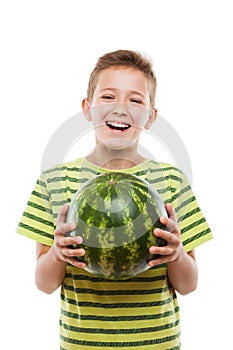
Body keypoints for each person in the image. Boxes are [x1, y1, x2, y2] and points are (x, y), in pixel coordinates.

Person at [17, 49, 212, 349]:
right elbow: (44, 284)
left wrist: (177, 254)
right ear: (87, 108)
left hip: (157, 344)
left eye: (135, 100)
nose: (121, 108)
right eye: (108, 97)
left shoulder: (173, 181)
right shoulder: (54, 181)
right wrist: (57, 253)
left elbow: (189, 284)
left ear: (151, 117)